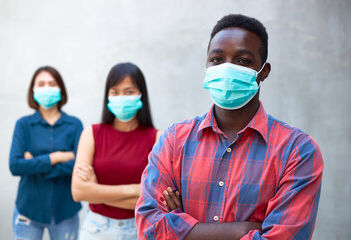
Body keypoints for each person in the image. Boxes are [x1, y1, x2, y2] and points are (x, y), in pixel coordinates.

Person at [135, 14, 324, 240]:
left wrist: (183, 227)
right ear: (206, 65)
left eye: (243, 61)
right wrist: (241, 230)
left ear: (263, 72)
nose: (227, 68)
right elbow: (149, 228)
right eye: (217, 59)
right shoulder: (174, 141)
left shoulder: (297, 151)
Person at [71, 62, 161, 240]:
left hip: (140, 230)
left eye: (129, 91)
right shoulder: (91, 133)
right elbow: (78, 191)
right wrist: (135, 190)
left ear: (141, 94)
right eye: (115, 92)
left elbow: (156, 202)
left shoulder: (158, 138)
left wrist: (95, 191)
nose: (122, 98)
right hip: (96, 230)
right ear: (107, 96)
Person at [9, 66, 83, 240]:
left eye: (52, 83)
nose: (47, 88)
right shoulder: (23, 125)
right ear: (33, 90)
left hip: (65, 210)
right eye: (41, 84)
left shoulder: (75, 125)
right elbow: (15, 165)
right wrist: (56, 157)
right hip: (28, 210)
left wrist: (34, 163)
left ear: (61, 89)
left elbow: (81, 165)